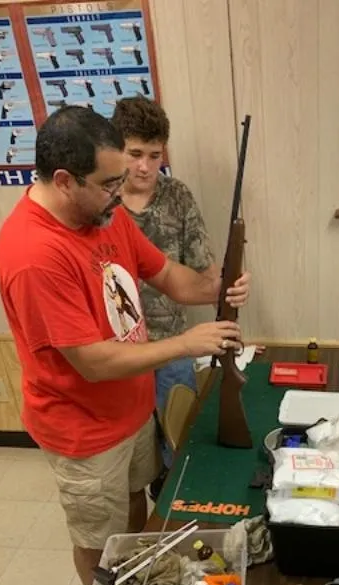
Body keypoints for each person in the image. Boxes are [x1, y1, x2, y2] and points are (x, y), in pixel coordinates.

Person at [0, 106, 250, 585]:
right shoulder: (32, 254)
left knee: (135, 509)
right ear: (67, 181)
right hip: (84, 431)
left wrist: (219, 288)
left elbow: (169, 277)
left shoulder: (105, 215)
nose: (124, 189)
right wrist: (185, 342)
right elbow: (92, 361)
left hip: (131, 411)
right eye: (111, 182)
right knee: (100, 541)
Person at [110, 96, 218, 465]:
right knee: (132, 461)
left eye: (154, 156)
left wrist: (226, 287)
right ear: (114, 149)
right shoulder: (99, 203)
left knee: (180, 447)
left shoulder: (177, 196)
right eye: (134, 153)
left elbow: (207, 271)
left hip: (174, 346)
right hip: (119, 355)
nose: (144, 166)